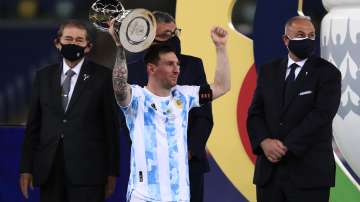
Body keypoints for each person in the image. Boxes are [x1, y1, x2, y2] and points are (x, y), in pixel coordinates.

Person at [109, 19, 230, 202]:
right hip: (144, 197)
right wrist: (119, 46)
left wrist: (221, 48)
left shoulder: (186, 95)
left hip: (179, 197)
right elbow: (119, 85)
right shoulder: (135, 98)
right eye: (170, 64)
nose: (177, 70)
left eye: (178, 65)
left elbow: (222, 86)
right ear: (151, 68)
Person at [19, 20, 120, 202]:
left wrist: (112, 172)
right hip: (49, 170)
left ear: (88, 47)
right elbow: (33, 126)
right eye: (68, 38)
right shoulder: (43, 76)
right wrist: (26, 168)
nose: (73, 44)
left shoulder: (103, 77)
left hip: (88, 174)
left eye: (79, 40)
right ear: (58, 43)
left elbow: (110, 128)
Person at [247, 16, 341, 202]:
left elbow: (321, 115)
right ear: (286, 40)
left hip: (309, 174)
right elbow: (255, 113)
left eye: (311, 35)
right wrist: (264, 142)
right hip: (270, 175)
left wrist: (284, 147)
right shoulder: (269, 71)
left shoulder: (328, 73)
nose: (307, 39)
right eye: (300, 35)